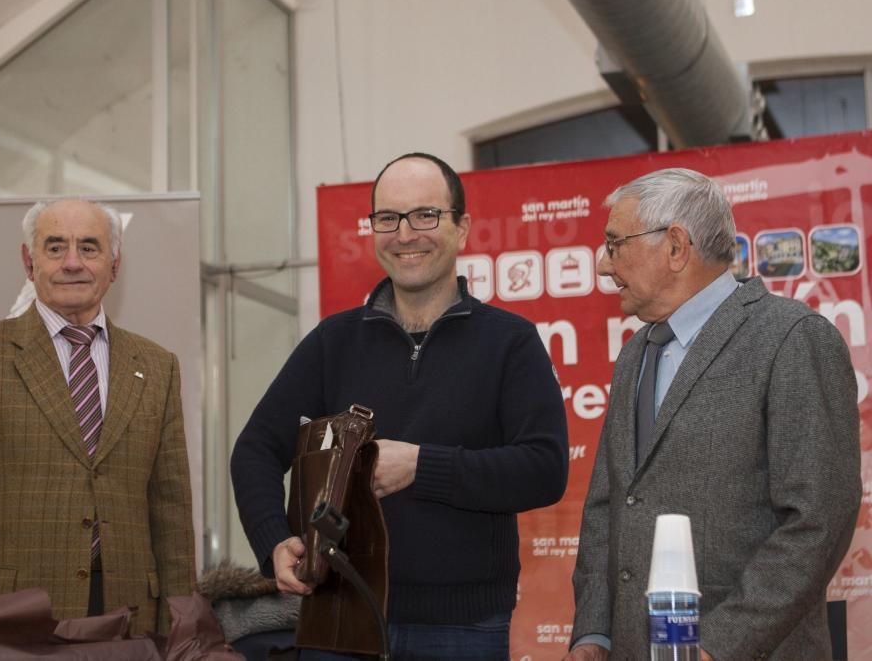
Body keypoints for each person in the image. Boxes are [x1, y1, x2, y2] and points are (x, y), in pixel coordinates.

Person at [231, 152, 569, 660]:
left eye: (425, 215)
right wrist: (273, 542)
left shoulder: (510, 342)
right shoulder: (333, 341)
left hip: (464, 629)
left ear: (463, 228)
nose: (405, 233)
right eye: (387, 218)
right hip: (340, 619)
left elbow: (543, 469)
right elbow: (254, 449)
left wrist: (420, 466)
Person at [567, 168, 861, 660]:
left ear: (676, 246)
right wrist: (593, 633)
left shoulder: (793, 339)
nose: (602, 264)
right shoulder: (636, 355)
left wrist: (717, 647)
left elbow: (818, 523)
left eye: (615, 245)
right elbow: (609, 506)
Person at [0, 199, 196, 634]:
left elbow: (171, 514)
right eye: (56, 247)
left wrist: (183, 631)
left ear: (114, 263)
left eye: (89, 248)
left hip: (131, 621)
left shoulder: (158, 366)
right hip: (8, 621)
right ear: (29, 261)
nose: (72, 263)